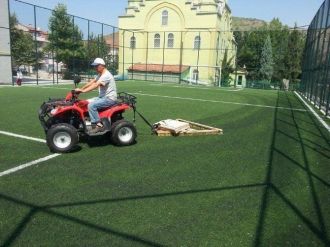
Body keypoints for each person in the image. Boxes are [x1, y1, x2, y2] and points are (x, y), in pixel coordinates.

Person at [75, 58, 117, 133]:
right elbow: (92, 82)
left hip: (109, 99)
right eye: (94, 66)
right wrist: (81, 89)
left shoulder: (106, 75)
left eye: (96, 66)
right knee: (86, 102)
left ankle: (99, 125)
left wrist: (83, 91)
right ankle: (87, 120)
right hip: (102, 97)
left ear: (102, 66)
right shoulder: (100, 74)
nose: (95, 68)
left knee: (91, 106)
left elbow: (96, 85)